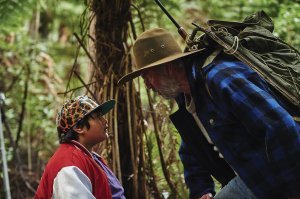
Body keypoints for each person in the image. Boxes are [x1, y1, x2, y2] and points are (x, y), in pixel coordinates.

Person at [118, 27, 300, 199]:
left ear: (167, 68)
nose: (148, 86)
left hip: (284, 174)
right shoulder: (187, 99)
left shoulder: (220, 79)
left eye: (147, 77)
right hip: (253, 178)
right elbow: (192, 150)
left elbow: (280, 127)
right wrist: (202, 190)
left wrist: (292, 190)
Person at [35, 95, 125, 199]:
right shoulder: (69, 166)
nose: (105, 121)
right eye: (97, 117)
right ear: (79, 127)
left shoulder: (90, 157)